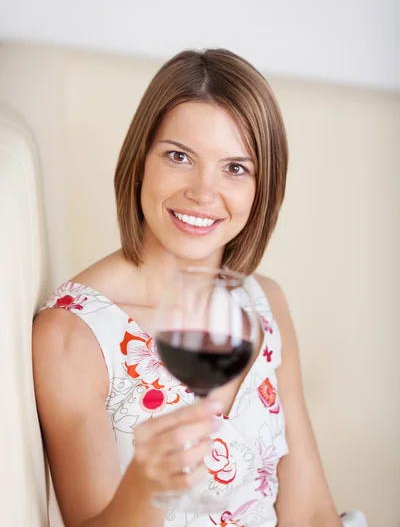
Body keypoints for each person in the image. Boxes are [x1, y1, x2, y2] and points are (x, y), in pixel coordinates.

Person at [33, 49, 345, 527]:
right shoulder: (72, 335)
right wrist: (146, 483)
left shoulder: (265, 304)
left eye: (235, 168)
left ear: (263, 187)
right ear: (140, 162)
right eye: (179, 157)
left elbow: (313, 512)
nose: (203, 192)